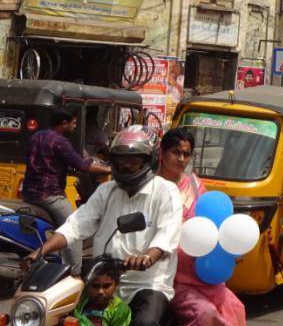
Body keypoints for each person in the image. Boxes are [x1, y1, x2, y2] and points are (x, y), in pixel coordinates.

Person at [27, 126, 182, 326]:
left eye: (133, 161)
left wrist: (147, 257)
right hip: (103, 282)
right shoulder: (106, 191)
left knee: (144, 323)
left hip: (146, 285)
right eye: (120, 160)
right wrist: (41, 250)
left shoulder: (166, 191)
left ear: (149, 160)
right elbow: (77, 223)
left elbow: (167, 233)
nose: (126, 166)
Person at [157, 128, 246, 326]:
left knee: (236, 308)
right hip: (170, 274)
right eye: (175, 152)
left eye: (186, 154)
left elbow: (209, 224)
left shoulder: (195, 185)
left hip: (202, 272)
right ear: (161, 153)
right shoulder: (152, 186)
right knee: (206, 315)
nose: (181, 159)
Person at [23, 109, 112, 272]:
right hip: (50, 196)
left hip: (29, 194)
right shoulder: (60, 142)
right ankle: (75, 273)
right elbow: (81, 165)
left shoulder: (36, 137)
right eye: (74, 124)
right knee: (74, 230)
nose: (74, 127)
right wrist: (110, 170)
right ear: (64, 124)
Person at [73, 259, 132, 326]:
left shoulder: (120, 310)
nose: (100, 291)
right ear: (87, 285)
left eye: (106, 286)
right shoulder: (80, 301)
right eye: (95, 286)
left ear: (116, 285)